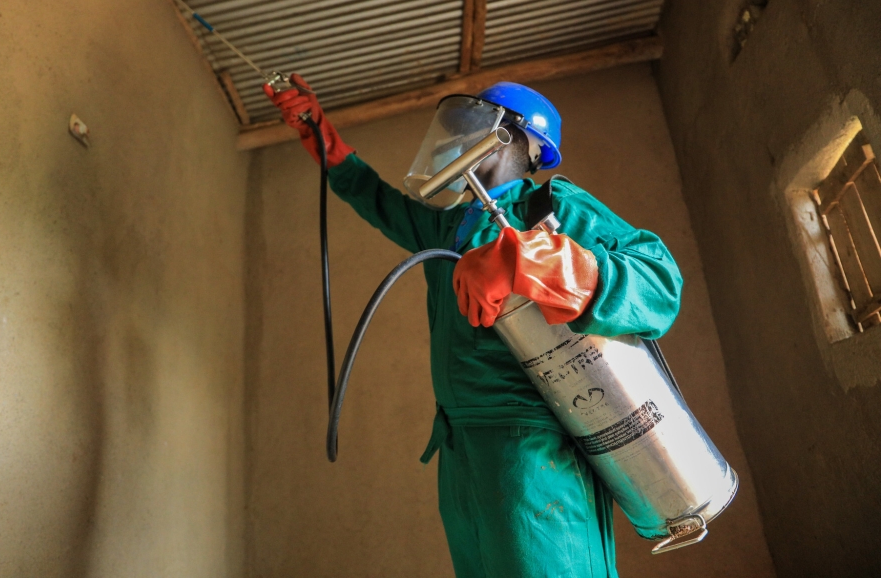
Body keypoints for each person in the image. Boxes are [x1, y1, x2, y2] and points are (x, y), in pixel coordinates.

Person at [264, 75, 683, 578]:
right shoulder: (448, 225)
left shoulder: (550, 209)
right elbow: (372, 196)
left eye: (469, 125)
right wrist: (318, 132)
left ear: (515, 140)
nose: (453, 138)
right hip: (461, 448)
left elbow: (660, 282)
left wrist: (529, 261)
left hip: (531, 449)